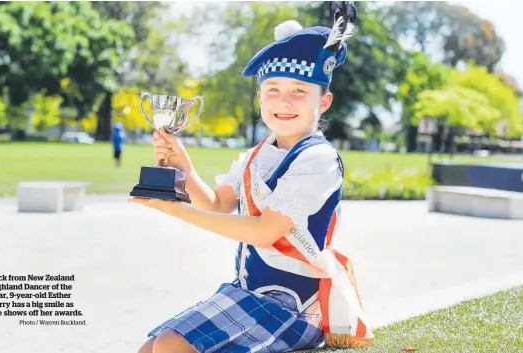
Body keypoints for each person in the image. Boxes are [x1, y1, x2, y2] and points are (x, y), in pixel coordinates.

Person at [130, 2, 374, 352]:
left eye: (299, 91)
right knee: (150, 347)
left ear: (324, 102)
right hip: (247, 293)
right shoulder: (256, 155)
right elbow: (217, 205)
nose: (284, 101)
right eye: (272, 89)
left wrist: (174, 211)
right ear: (259, 97)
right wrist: (183, 166)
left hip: (294, 308)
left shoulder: (318, 158)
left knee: (170, 345)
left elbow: (264, 232)